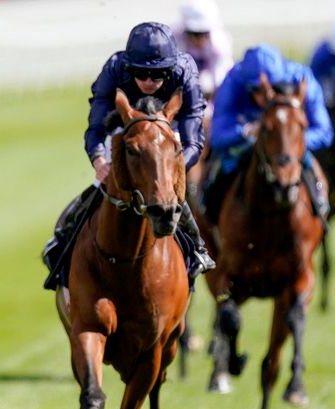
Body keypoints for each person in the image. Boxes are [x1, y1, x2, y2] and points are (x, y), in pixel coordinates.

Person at [43, 21, 214, 289]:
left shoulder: (185, 72)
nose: (149, 82)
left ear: (170, 70)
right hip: (125, 128)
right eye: (140, 74)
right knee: (106, 182)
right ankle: (64, 239)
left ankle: (196, 248)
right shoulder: (114, 68)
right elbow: (97, 126)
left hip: (170, 131)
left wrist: (172, 166)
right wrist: (99, 159)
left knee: (170, 188)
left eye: (158, 75)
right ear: (128, 67)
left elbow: (194, 136)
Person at [201, 44, 333, 226]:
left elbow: (324, 132)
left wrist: (289, 142)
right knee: (220, 168)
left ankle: (320, 207)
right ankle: (210, 217)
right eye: (256, 91)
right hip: (244, 145)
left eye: (271, 89)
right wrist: (246, 131)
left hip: (289, 149)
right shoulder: (233, 81)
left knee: (309, 165)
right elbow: (217, 136)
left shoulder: (301, 78)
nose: (264, 96)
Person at [172, 0, 234, 103]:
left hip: (207, 82)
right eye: (195, 33)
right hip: (181, 86)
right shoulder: (173, 36)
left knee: (207, 83)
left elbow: (221, 81)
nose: (200, 39)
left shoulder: (220, 43)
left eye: (204, 33)